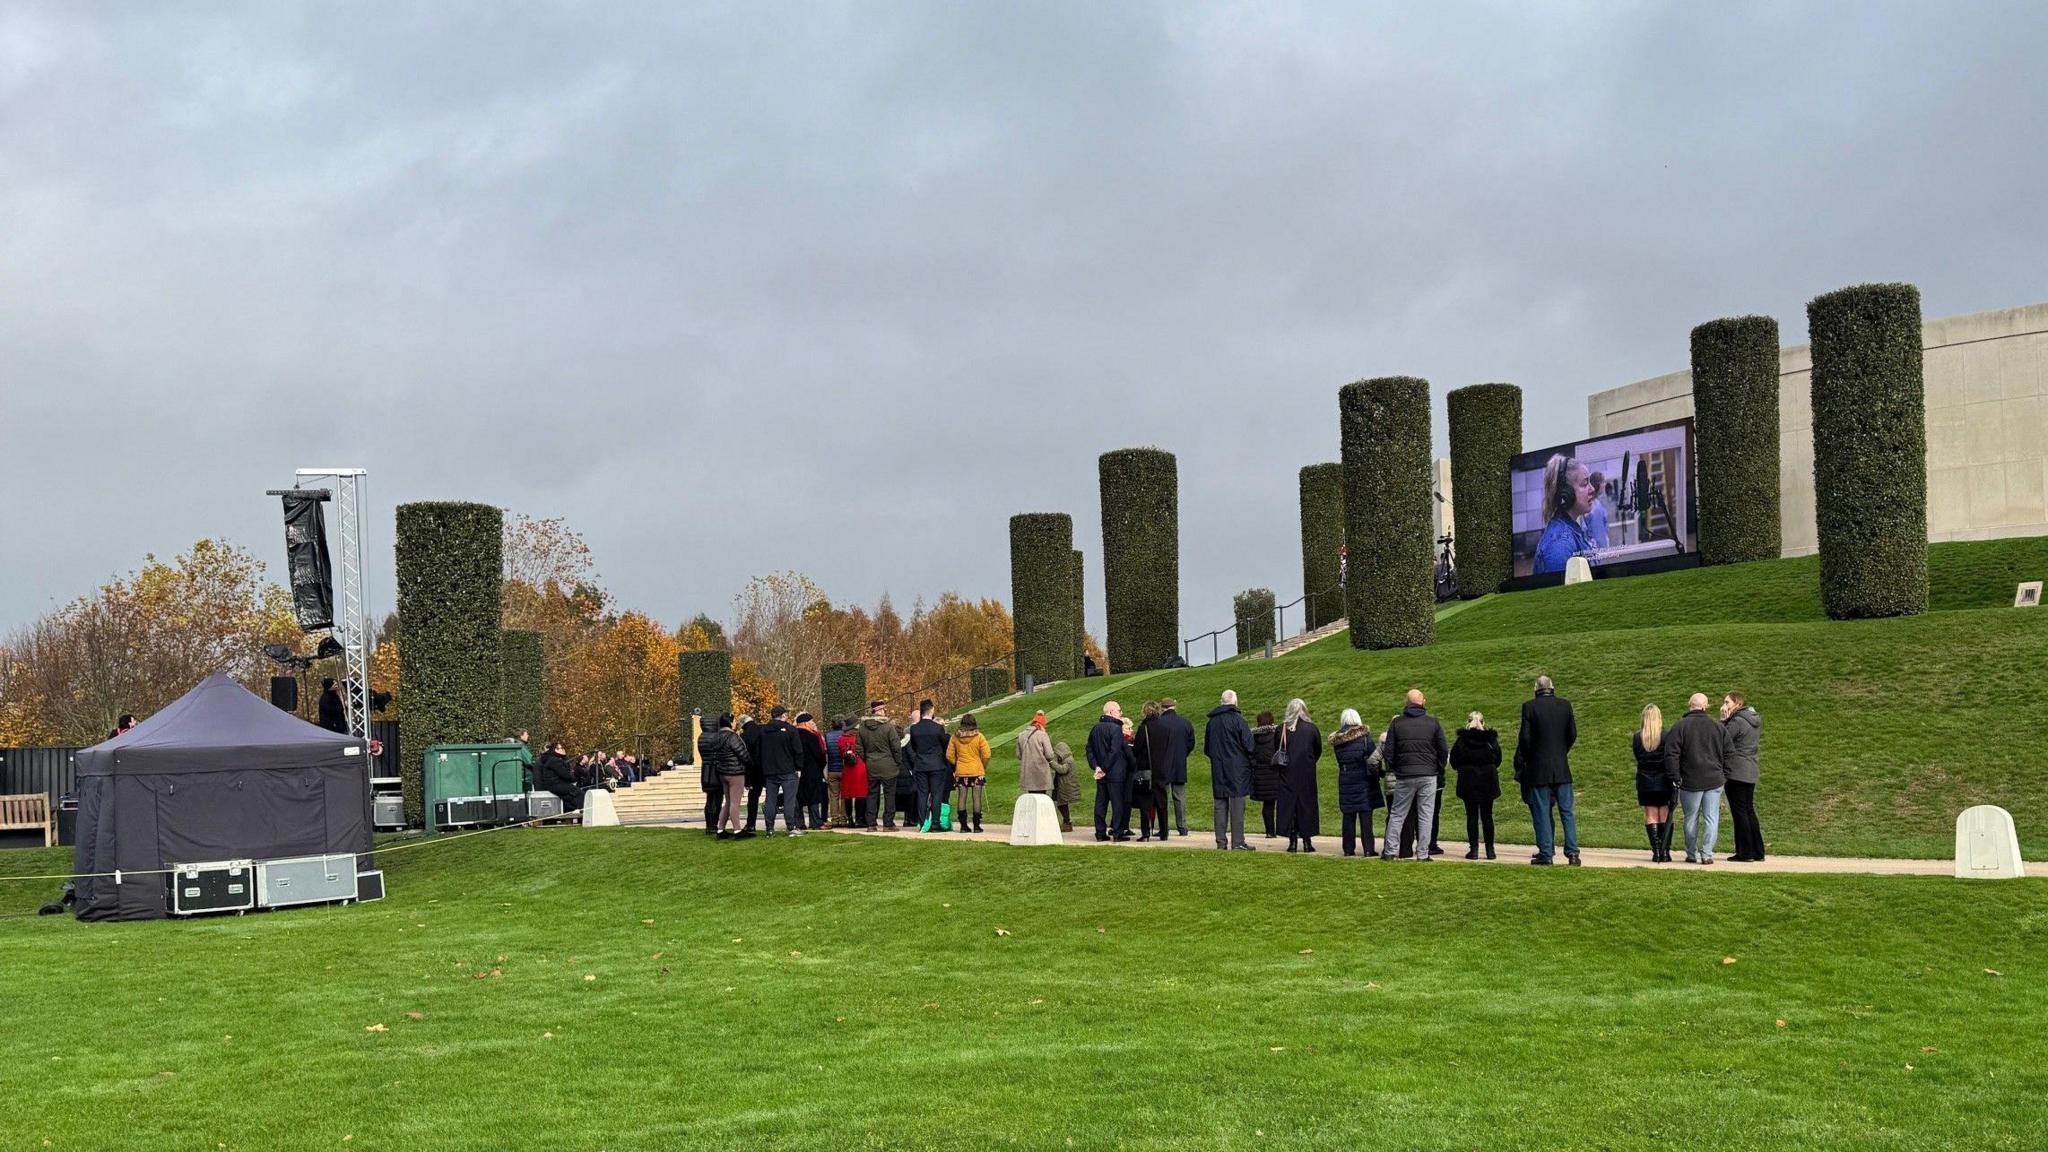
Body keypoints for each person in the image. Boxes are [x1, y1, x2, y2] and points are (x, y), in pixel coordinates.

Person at [1515, 675, 1580, 866]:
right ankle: (1572, 853)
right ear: (1552, 687)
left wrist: (1531, 756)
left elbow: (1524, 738)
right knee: (1567, 811)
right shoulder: (1565, 705)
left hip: (1538, 768)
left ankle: (1546, 853)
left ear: (1536, 688)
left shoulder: (1529, 707)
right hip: (1561, 766)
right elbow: (1572, 734)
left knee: (1542, 811)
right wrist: (1561, 750)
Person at [1380, 689, 1447, 863]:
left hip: (1405, 774)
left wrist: (1397, 768)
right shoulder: (1433, 723)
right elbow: (1443, 749)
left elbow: (1389, 751)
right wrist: (1437, 768)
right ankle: (1423, 853)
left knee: (1397, 813)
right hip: (1428, 774)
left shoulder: (1397, 723)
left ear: (1407, 703)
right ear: (1422, 702)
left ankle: (1390, 851)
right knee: (1426, 815)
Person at [1665, 693, 1731, 864]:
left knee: (1690, 818)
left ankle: (1691, 853)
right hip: (1714, 779)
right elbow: (1730, 753)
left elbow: (1671, 754)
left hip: (1689, 780)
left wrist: (1675, 776)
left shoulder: (1680, 726)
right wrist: (1724, 774)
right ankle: (1707, 853)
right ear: (1706, 706)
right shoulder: (1717, 727)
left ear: (1690, 705)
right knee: (1711, 818)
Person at [1203, 689, 1256, 851]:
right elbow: (1249, 745)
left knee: (1220, 804)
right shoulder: (1238, 720)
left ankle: (1221, 842)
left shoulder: (1212, 722)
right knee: (1237, 805)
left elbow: (1207, 748)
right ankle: (1238, 841)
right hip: (1237, 768)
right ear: (1234, 701)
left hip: (1219, 767)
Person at [1532, 454, 1596, 575]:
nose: (1592, 489)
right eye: (1584, 484)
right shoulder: (1559, 546)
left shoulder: (1573, 527)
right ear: (1566, 494)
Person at [1450, 712, 1502, 860]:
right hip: (1488, 779)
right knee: (1487, 816)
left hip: (1468, 779)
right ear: (1483, 723)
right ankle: (1490, 850)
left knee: (1471, 816)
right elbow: (1498, 759)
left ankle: (1473, 850)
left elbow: (1454, 761)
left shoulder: (1462, 741)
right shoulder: (1490, 740)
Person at [1276, 698, 1323, 852]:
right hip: (1306, 773)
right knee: (1306, 806)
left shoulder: (1281, 729)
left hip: (1287, 773)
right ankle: (1307, 841)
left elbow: (1277, 748)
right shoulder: (1312, 729)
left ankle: (1292, 841)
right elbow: (1318, 750)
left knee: (1290, 807)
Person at [1721, 693, 1764, 862]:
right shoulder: (1753, 720)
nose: (1724, 706)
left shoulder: (1737, 721)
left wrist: (1723, 720)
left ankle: (1745, 852)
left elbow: (1722, 739)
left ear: (1736, 704)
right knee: (1748, 810)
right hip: (1750, 769)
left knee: (1740, 812)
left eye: (1727, 702)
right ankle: (1757, 851)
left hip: (1736, 771)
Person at [1332, 708, 1380, 858]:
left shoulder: (1338, 741)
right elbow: (1374, 759)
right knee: (1366, 815)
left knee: (1348, 815)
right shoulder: (1365, 738)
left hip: (1346, 778)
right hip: (1364, 779)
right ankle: (1368, 849)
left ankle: (1348, 849)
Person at [698, 714, 752, 839]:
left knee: (728, 802)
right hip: (735, 772)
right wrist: (750, 764)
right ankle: (737, 830)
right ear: (730, 722)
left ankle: (720, 829)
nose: (735, 723)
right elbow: (742, 754)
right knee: (735, 803)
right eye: (734, 721)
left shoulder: (716, 737)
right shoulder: (732, 736)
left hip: (723, 773)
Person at [1634, 704, 1675, 862]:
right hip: (1664, 781)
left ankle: (1656, 851)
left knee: (1651, 815)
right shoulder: (1666, 736)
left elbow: (1638, 757)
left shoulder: (1637, 737)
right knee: (1664, 815)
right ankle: (1665, 852)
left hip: (1645, 781)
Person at [756, 706, 805, 836]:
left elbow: (758, 751)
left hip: (769, 770)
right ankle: (791, 826)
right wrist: (799, 767)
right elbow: (798, 751)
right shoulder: (791, 730)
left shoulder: (763, 731)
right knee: (789, 800)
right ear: (783, 715)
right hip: (788, 769)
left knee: (770, 800)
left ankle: (769, 828)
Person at [856, 701, 905, 829]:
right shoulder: (888, 727)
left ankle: (871, 823)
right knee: (889, 795)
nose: (885, 712)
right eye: (884, 710)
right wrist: (897, 762)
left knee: (872, 795)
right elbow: (896, 747)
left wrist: (867, 759)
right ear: (880, 711)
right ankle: (888, 823)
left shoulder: (862, 728)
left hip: (871, 765)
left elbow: (859, 748)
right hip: (888, 765)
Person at [1087, 701, 1131, 842]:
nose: (1121, 713)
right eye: (1119, 710)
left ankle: (1100, 832)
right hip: (1115, 772)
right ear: (1111, 711)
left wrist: (1096, 766)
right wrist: (1104, 768)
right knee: (1117, 804)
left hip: (1101, 772)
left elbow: (1089, 750)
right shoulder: (1116, 729)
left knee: (1101, 803)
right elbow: (1114, 751)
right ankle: (1117, 833)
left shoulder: (1095, 729)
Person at [906, 699, 950, 833]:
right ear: (931, 710)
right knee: (937, 794)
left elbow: (914, 746)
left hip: (921, 764)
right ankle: (935, 823)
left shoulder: (914, 729)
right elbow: (944, 744)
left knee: (922, 794)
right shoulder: (938, 728)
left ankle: (922, 822)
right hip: (936, 764)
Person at [1155, 698, 1195, 837]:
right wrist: (1183, 754)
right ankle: (1182, 827)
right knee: (1180, 796)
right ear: (1174, 706)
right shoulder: (1185, 723)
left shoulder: (1159, 722)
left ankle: (1163, 827)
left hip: (1162, 764)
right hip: (1179, 764)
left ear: (1162, 708)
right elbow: (1191, 743)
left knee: (1163, 797)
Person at [946, 713, 992, 833]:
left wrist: (957, 763)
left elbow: (949, 755)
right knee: (977, 797)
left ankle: (963, 825)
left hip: (961, 770)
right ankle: (976, 825)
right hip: (976, 770)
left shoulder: (955, 737)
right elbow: (987, 754)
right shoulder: (979, 736)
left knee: (962, 797)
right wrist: (982, 764)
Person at [1129, 706, 1164, 841]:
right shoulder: (1164, 727)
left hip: (1146, 769)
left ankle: (1146, 833)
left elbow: (1136, 749)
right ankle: (1163, 832)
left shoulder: (1144, 728)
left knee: (1145, 802)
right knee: (1161, 801)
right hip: (1161, 769)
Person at [1250, 710, 1283, 837]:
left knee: (1267, 805)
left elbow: (1250, 755)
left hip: (1260, 775)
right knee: (1277, 803)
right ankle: (1283, 829)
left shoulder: (1253, 737)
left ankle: (1270, 831)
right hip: (1275, 772)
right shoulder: (1276, 735)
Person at [795, 712, 829, 830]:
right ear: (805, 723)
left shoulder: (792, 735)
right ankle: (815, 822)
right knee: (813, 797)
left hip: (796, 771)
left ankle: (799, 823)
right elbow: (819, 755)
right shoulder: (811, 737)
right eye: (811, 722)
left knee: (798, 797)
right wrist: (821, 767)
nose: (813, 724)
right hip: (812, 771)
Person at [536, 741, 584, 812]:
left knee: (570, 797)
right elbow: (565, 775)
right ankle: (582, 811)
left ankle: (574, 810)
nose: (563, 750)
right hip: (556, 784)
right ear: (556, 750)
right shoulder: (555, 760)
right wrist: (575, 778)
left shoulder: (552, 759)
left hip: (554, 785)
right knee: (580, 793)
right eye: (561, 748)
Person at [838, 722, 870, 829]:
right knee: (860, 794)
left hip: (847, 768)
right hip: (860, 766)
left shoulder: (841, 739)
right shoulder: (859, 737)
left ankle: (850, 818)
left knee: (848, 795)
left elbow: (841, 753)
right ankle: (859, 819)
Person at [1018, 710, 1057, 795]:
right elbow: (1049, 755)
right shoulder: (1042, 735)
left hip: (1027, 771)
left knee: (1032, 797)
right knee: (1041, 796)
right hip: (1040, 771)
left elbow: (1019, 755)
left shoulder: (1021, 735)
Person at [739, 714, 764, 833]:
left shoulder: (744, 736)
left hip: (753, 771)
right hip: (767, 768)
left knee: (753, 798)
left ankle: (751, 824)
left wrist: (747, 779)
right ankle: (770, 825)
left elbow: (745, 757)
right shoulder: (762, 730)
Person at [1050, 736, 1080, 833]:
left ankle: (1067, 823)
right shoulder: (1067, 759)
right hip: (1063, 785)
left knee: (1062, 804)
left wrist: (1052, 763)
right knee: (1061, 804)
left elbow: (1062, 770)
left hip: (1065, 786)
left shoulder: (1068, 760)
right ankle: (1066, 823)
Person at [823, 715, 847, 827]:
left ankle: (834, 819)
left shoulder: (828, 736)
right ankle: (843, 818)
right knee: (844, 795)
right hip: (844, 768)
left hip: (832, 769)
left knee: (833, 795)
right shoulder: (845, 735)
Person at [1585, 470, 1610, 549]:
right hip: (1597, 548)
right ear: (1597, 484)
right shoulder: (1591, 507)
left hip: (1603, 545)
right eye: (1602, 482)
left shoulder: (1598, 503)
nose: (1604, 484)